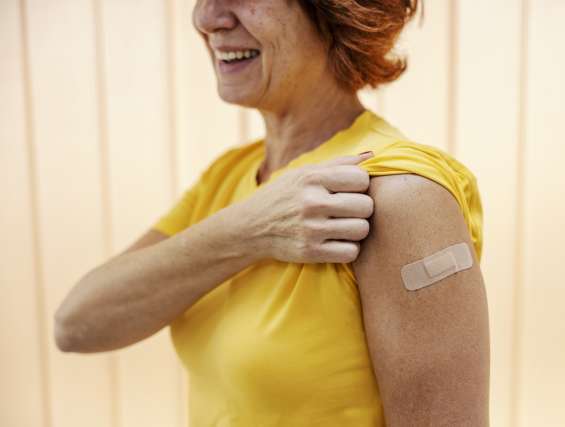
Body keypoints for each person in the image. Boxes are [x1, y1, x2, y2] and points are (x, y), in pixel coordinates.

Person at [54, 0, 489, 425]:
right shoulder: (230, 176)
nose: (206, 18)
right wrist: (247, 229)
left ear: (335, 9)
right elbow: (76, 325)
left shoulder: (401, 194)